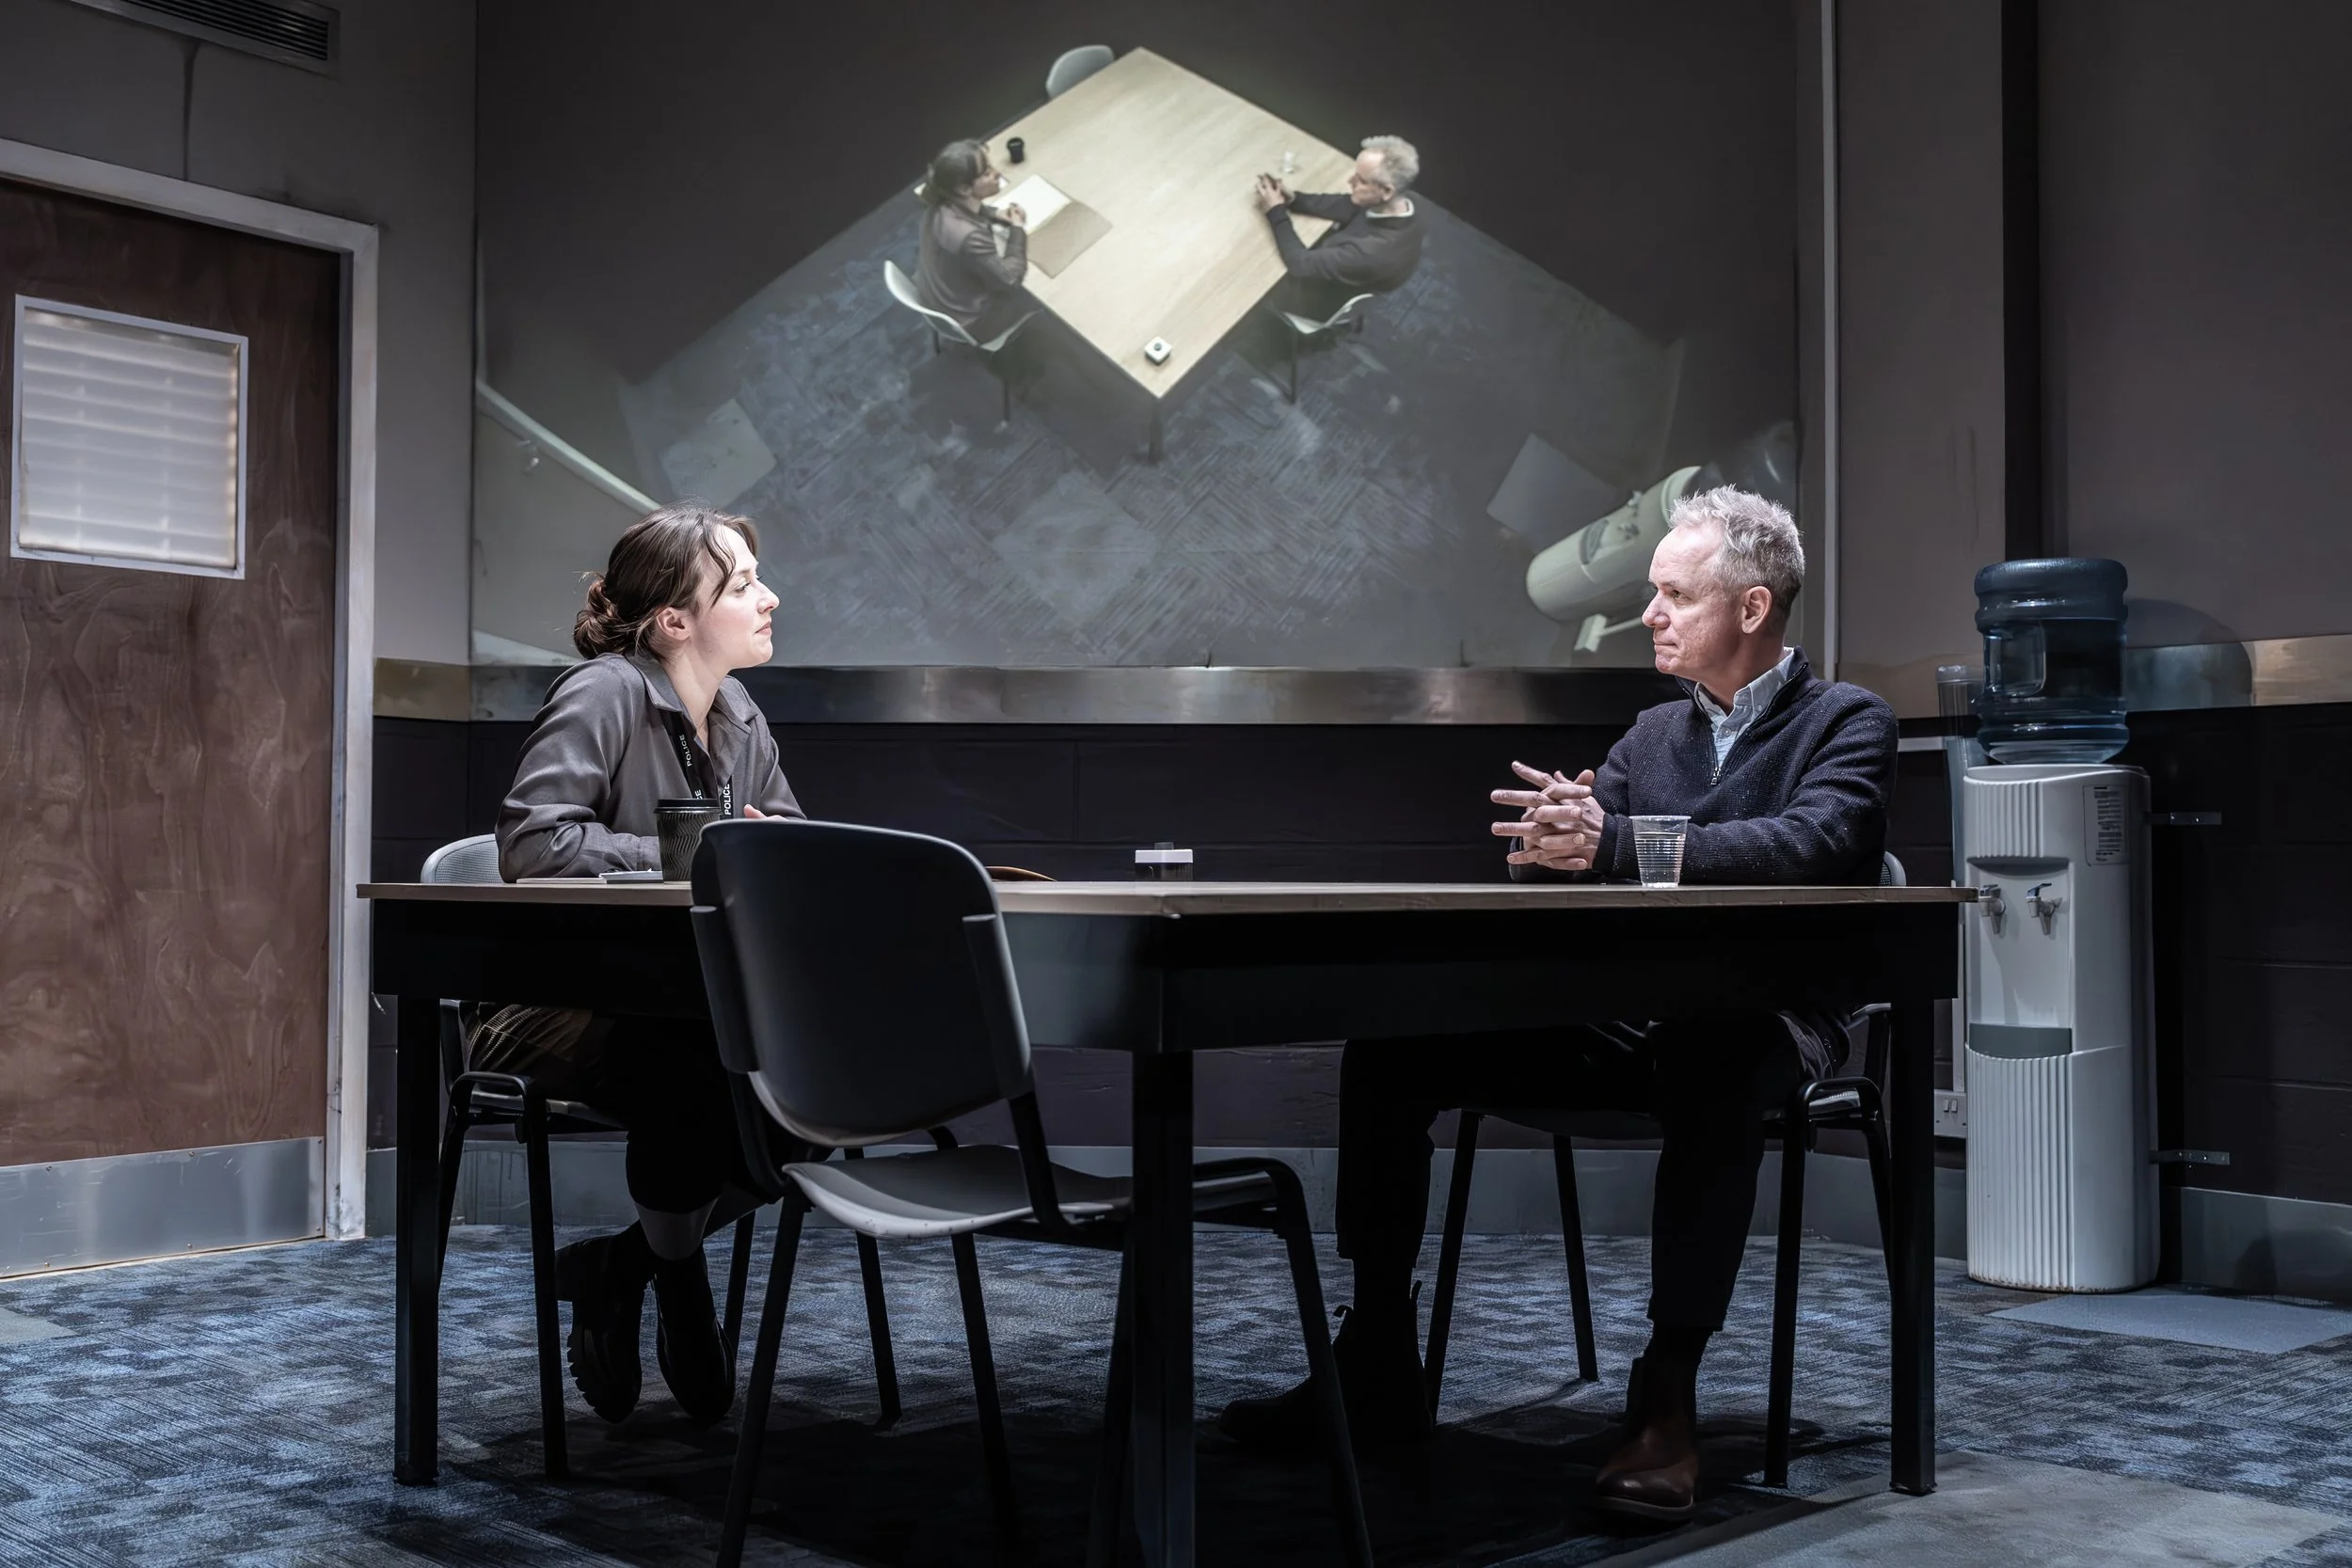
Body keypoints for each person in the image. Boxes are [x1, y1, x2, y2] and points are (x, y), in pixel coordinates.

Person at [1217, 486, 1898, 1526]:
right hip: (1632, 1022)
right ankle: (1378, 1359)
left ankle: (1665, 1391)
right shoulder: (1647, 735)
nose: (1651, 613)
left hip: (1768, 1022)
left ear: (1751, 609)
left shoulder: (1845, 723)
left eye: (1674, 593)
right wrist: (1551, 848)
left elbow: (1814, 844)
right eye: (1651, 593)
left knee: (1714, 1057)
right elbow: (1590, 884)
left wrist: (1617, 843)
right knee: (1396, 1043)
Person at [483, 502, 803, 1429]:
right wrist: (692, 851)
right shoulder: (604, 692)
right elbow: (533, 843)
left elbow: (779, 841)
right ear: (675, 621)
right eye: (742, 585)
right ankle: (676, 1282)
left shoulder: (739, 713)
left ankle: (625, 1264)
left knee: (816, 1081)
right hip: (552, 1002)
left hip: (679, 1001)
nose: (768, 598)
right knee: (696, 1058)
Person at [1253, 134, 1426, 321]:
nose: (1350, 181)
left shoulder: (1367, 252)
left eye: (1361, 180)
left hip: (1315, 300)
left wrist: (1275, 211)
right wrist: (1294, 199)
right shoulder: (1407, 204)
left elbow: (1300, 264)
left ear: (1386, 191)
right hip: (1349, 273)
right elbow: (1348, 206)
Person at [915, 137, 1031, 343]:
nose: (997, 173)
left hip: (939, 298)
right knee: (1039, 298)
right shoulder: (969, 237)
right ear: (963, 189)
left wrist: (994, 214)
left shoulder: (937, 200)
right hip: (973, 320)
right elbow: (1011, 280)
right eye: (987, 173)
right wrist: (1017, 229)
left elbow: (965, 208)